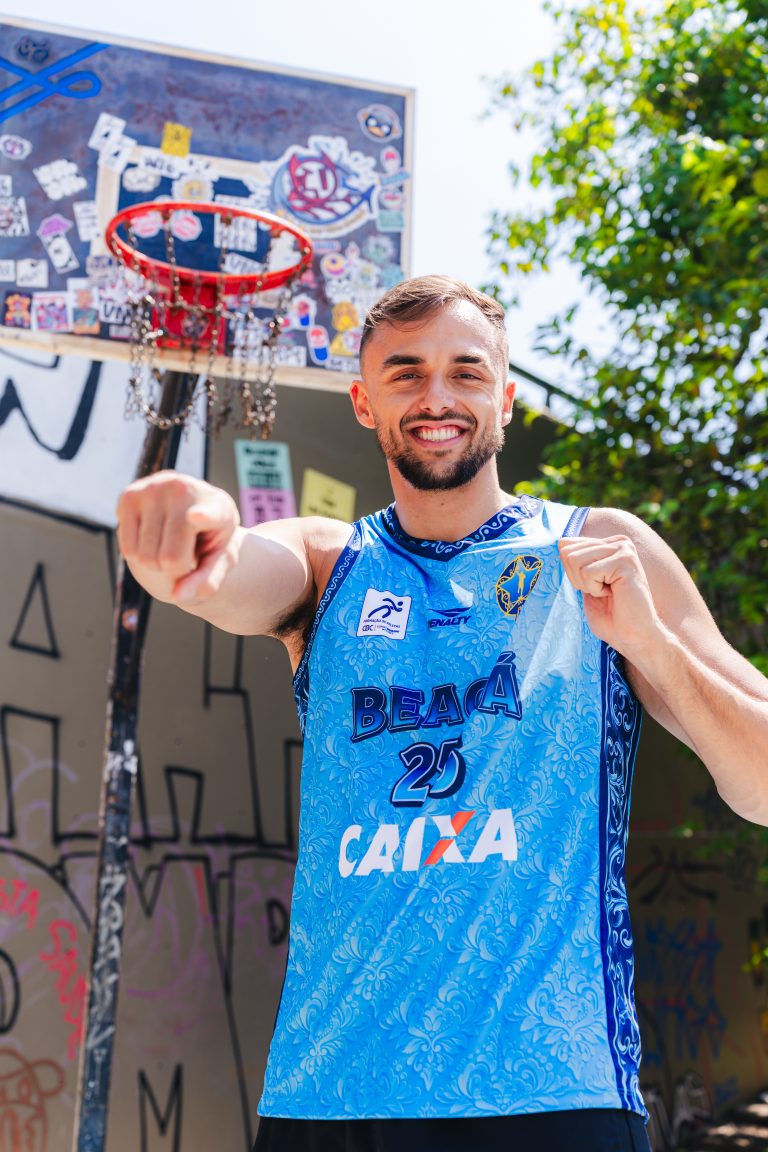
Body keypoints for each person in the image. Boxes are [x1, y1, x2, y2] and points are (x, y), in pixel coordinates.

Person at [117, 276, 768, 1152]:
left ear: (505, 397)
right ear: (363, 402)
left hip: (552, 1095)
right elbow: (236, 571)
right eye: (406, 373)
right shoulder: (331, 564)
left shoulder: (600, 553)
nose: (437, 397)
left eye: (466, 372)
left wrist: (654, 648)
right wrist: (199, 542)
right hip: (331, 1095)